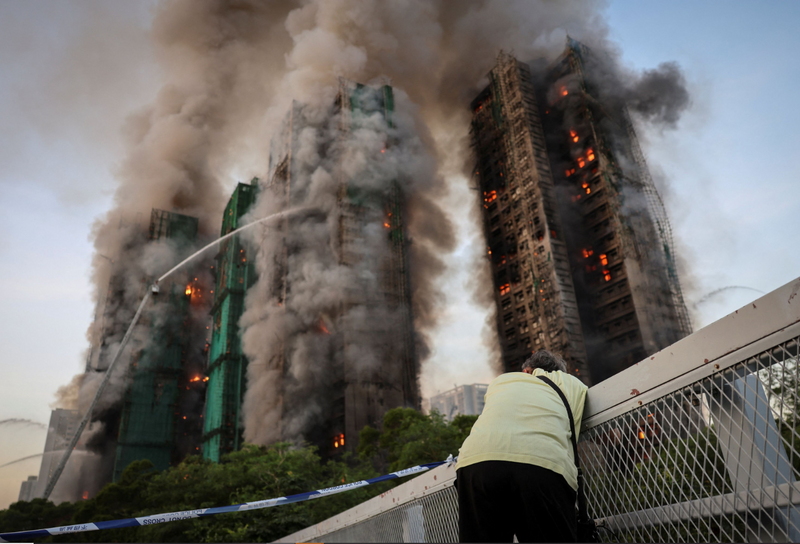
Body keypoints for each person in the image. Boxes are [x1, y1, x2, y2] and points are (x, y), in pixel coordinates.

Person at [455, 350, 588, 543]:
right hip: (541, 465)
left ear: (527, 370)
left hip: (475, 463)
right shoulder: (573, 385)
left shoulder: (501, 382)